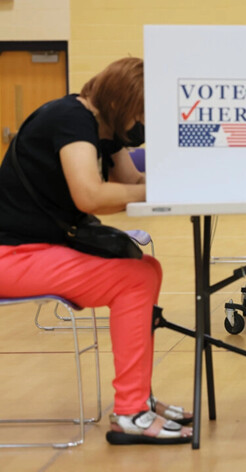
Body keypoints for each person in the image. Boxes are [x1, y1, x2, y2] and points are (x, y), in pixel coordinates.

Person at [0, 57, 193, 445]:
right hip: (11, 255)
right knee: (135, 278)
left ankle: (138, 398)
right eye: (140, 113)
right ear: (123, 104)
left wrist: (180, 178)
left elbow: (131, 181)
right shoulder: (71, 119)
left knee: (146, 268)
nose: (143, 123)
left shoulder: (103, 129)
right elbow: (89, 195)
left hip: (36, 250)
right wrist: (157, 190)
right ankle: (129, 412)